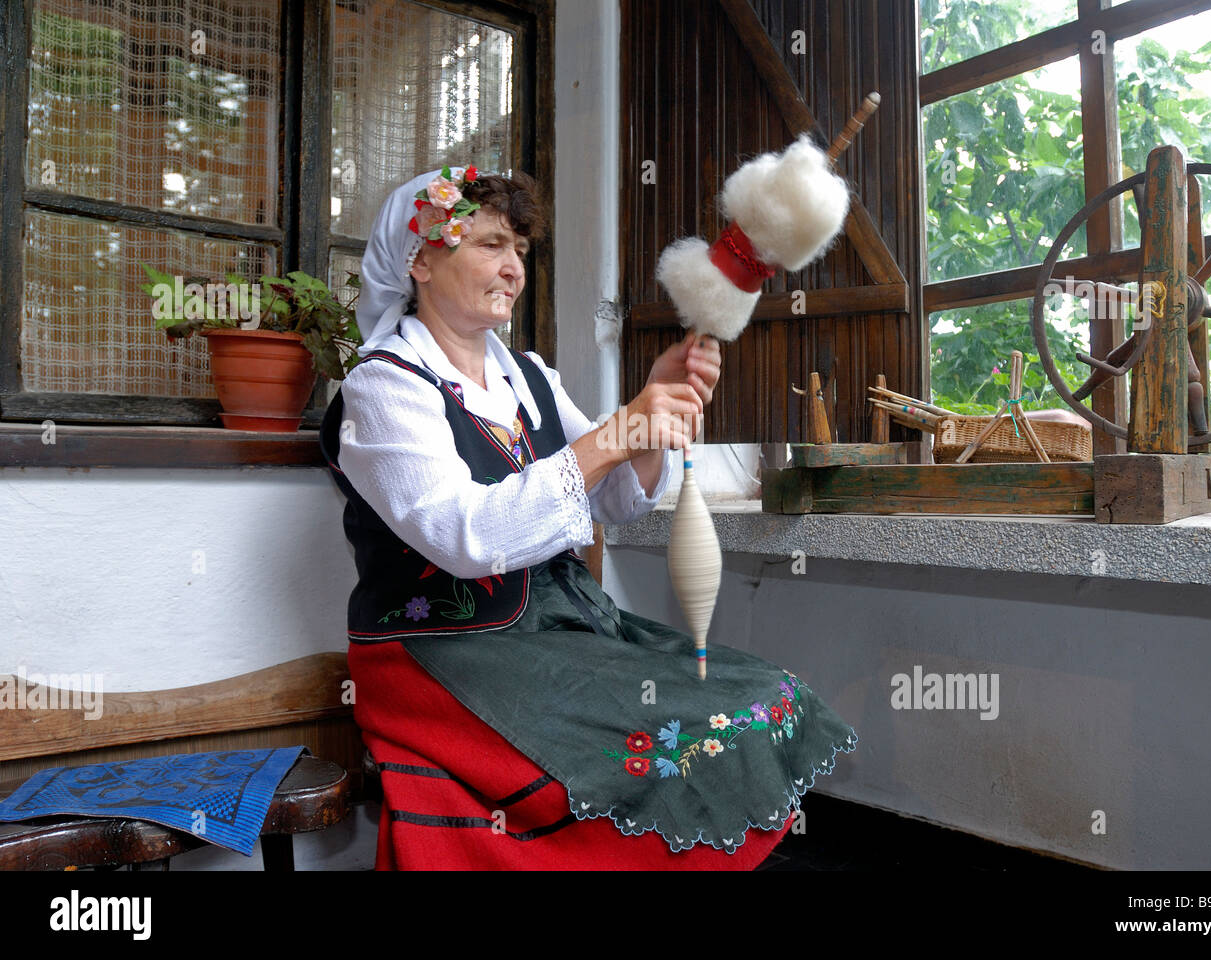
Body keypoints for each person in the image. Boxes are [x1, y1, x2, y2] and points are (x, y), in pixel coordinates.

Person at [320, 165, 857, 870]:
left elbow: (610, 500)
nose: (512, 266)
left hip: (557, 626)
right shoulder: (383, 385)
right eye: (488, 244)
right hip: (442, 650)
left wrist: (650, 410)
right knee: (671, 740)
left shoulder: (530, 377)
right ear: (418, 258)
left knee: (762, 697)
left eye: (518, 248)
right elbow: (464, 535)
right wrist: (616, 431)